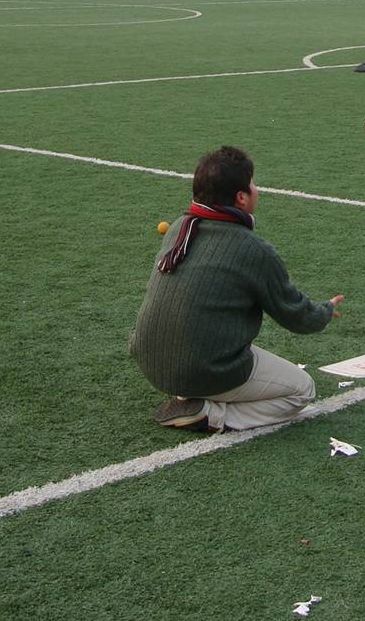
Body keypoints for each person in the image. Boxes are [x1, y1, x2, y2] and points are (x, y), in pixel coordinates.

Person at [130, 145, 344, 432]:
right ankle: (210, 414)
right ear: (241, 198)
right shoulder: (251, 248)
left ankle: (189, 393)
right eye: (253, 184)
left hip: (149, 360)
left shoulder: (180, 226)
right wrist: (324, 312)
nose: (257, 190)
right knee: (302, 389)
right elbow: (295, 316)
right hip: (202, 367)